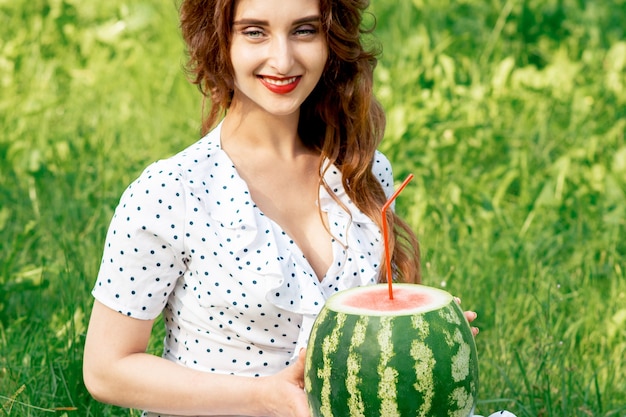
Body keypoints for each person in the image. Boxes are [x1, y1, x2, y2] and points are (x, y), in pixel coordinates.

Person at [83, 0, 482, 416]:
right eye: (255, 32)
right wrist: (264, 396)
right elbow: (106, 370)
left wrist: (421, 334)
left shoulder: (359, 172)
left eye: (304, 30)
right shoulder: (171, 192)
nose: (283, 59)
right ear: (220, 42)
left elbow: (365, 339)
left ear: (332, 40)